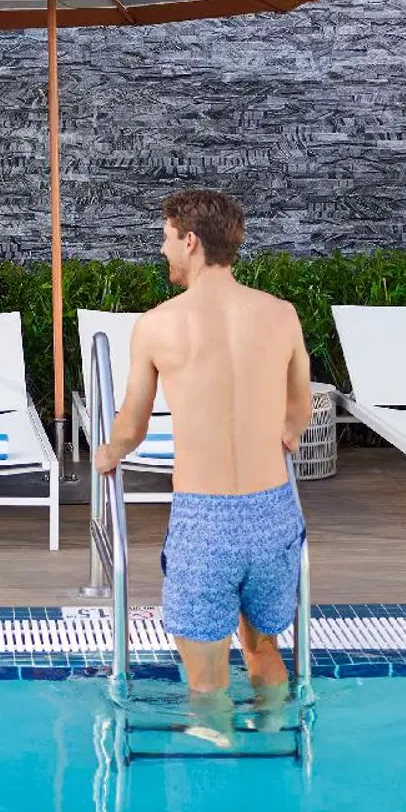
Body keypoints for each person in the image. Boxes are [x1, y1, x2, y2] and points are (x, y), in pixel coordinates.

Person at [94, 190, 311, 729]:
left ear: (190, 241)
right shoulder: (281, 316)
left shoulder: (159, 324)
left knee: (206, 684)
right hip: (273, 514)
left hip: (205, 521)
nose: (163, 250)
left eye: (167, 239)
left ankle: (220, 790)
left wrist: (109, 452)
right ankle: (276, 756)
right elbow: (298, 415)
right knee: (263, 651)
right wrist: (280, 436)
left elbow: (134, 425)